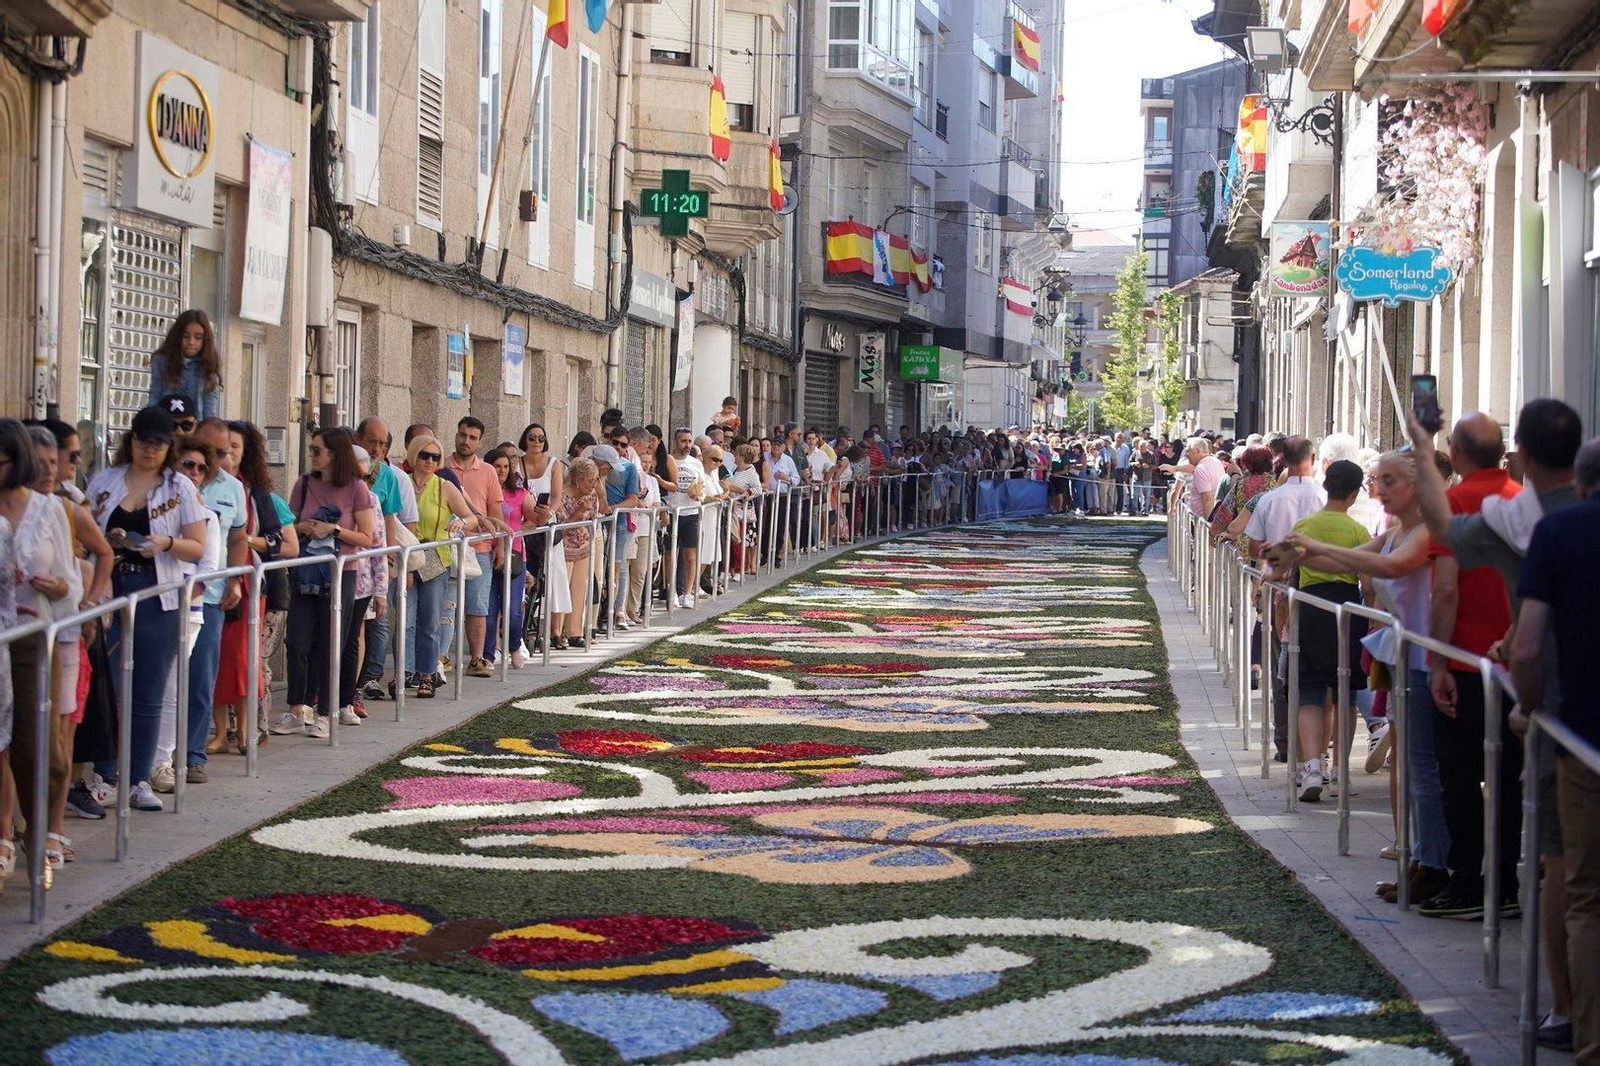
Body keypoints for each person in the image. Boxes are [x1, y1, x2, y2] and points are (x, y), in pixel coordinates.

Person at [1288, 448, 1450, 905]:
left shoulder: (1430, 529)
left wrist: (1315, 546)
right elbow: (1350, 562)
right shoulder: (1396, 530)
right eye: (1377, 481)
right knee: (1415, 765)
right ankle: (1422, 858)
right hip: (1406, 659)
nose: (1378, 490)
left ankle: (1434, 863)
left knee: (1425, 767)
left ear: (1416, 487)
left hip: (1427, 660)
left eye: (1388, 481)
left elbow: (1390, 568)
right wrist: (1307, 552)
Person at [1511, 437, 1600, 1065]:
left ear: (1582, 483)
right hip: (1578, 736)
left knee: (1584, 888)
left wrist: (1528, 706)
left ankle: (1586, 1033)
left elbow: (1527, 644)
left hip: (1580, 736)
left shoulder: (1561, 531)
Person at [85, 406, 208, 812]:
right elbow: (84, 533)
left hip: (159, 592)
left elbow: (198, 546)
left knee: (149, 691)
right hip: (110, 587)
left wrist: (165, 543)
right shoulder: (105, 481)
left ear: (169, 446)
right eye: (143, 441)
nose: (150, 449)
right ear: (131, 440)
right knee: (108, 686)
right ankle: (106, 774)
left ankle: (139, 778)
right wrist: (108, 542)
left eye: (158, 443)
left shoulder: (180, 487)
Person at [1270, 460, 1370, 801]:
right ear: (1354, 493)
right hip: (1348, 611)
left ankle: (1313, 767)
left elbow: (1275, 566)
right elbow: (1369, 582)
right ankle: (1340, 773)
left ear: (1326, 487)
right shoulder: (1359, 532)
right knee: (1346, 694)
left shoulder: (1304, 526)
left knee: (1310, 692)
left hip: (1311, 609)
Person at [282, 428, 376, 737]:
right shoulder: (304, 484)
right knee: (297, 642)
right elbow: (290, 525)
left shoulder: (357, 488)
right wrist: (305, 527)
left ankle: (326, 712)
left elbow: (367, 537)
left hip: (340, 572)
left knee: (331, 642)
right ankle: (297, 709)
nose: (311, 454)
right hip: (305, 570)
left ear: (335, 454)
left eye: (317, 450)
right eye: (310, 449)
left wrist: (333, 530)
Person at [177, 419, 248, 782]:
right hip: (168, 592)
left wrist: (235, 579)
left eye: (223, 452)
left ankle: (193, 755)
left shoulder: (233, 488)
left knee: (202, 680)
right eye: (211, 450)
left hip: (211, 596)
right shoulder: (175, 479)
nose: (217, 459)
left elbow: (238, 539)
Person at [212, 421, 287, 752]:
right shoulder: (202, 485)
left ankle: (245, 729)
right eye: (222, 447)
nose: (227, 453)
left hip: (247, 580)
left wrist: (245, 539)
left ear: (246, 452)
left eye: (234, 447)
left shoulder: (255, 493)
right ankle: (219, 732)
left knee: (243, 658)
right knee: (214, 657)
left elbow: (275, 539)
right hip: (210, 578)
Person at [400, 435, 478, 699]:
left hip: (435, 559)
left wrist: (461, 523)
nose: (430, 461)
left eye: (436, 457)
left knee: (430, 621)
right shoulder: (403, 482)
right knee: (406, 619)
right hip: (407, 558)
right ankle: (405, 671)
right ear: (413, 456)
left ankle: (426, 674)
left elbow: (471, 517)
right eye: (425, 455)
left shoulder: (444, 486)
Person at [444, 417, 505, 679]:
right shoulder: (442, 465)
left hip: (479, 547)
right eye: (462, 435)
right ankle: (442, 656)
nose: (465, 441)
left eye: (472, 437)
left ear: (480, 442)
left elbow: (495, 511)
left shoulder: (488, 471)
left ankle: (477, 659)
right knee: (446, 606)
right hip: (447, 546)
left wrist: (500, 546)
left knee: (478, 607)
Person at [551, 457, 600, 648]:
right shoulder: (561, 495)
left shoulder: (592, 495)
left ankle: (575, 632)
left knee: (580, 589)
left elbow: (594, 516)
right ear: (578, 479)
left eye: (595, 480)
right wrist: (579, 511)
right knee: (562, 589)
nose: (593, 485)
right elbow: (562, 526)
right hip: (564, 548)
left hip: (583, 546)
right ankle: (556, 632)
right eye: (590, 481)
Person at [147, 310, 222, 418]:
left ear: (205, 339)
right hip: (167, 423)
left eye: (198, 337)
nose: (191, 342)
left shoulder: (209, 363)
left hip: (195, 425)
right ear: (177, 337)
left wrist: (207, 426)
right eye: (186, 336)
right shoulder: (162, 360)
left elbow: (210, 404)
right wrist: (151, 421)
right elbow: (155, 394)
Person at [666, 428, 704, 608]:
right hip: (672, 512)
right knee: (670, 554)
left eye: (689, 441)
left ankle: (687, 593)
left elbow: (702, 487)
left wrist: (698, 495)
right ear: (675, 442)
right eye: (683, 441)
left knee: (691, 555)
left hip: (692, 513)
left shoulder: (696, 463)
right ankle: (672, 591)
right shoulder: (669, 460)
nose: (687, 445)